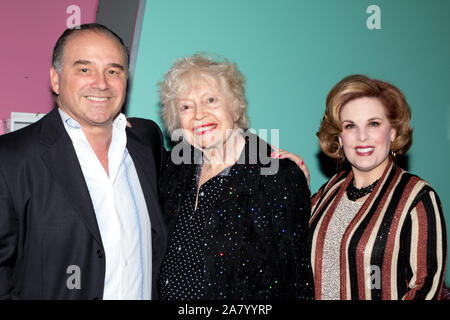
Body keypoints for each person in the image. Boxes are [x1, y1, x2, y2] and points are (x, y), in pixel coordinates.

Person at [0, 23, 167, 299]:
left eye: (113, 71)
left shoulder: (146, 144)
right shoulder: (12, 158)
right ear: (56, 79)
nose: (101, 83)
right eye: (84, 69)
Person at [155, 53, 313, 299]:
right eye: (186, 106)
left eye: (211, 100)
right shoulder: (172, 171)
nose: (199, 115)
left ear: (235, 107)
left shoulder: (277, 177)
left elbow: (296, 284)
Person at [278, 74, 447, 300]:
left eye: (374, 123)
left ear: (393, 131)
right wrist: (297, 186)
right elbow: (289, 250)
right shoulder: (330, 190)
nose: (362, 136)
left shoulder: (417, 197)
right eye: (350, 126)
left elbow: (425, 288)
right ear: (339, 137)